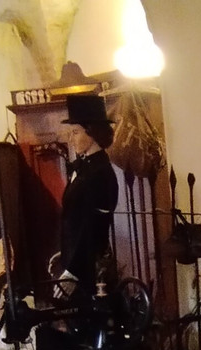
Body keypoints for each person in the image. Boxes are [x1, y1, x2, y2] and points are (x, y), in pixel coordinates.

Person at [58, 94, 119, 299]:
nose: (71, 139)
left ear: (92, 132)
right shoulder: (83, 169)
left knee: (89, 315)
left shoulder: (101, 173)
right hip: (76, 260)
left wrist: (73, 271)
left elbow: (94, 228)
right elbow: (73, 219)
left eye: (75, 132)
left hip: (90, 269)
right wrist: (65, 253)